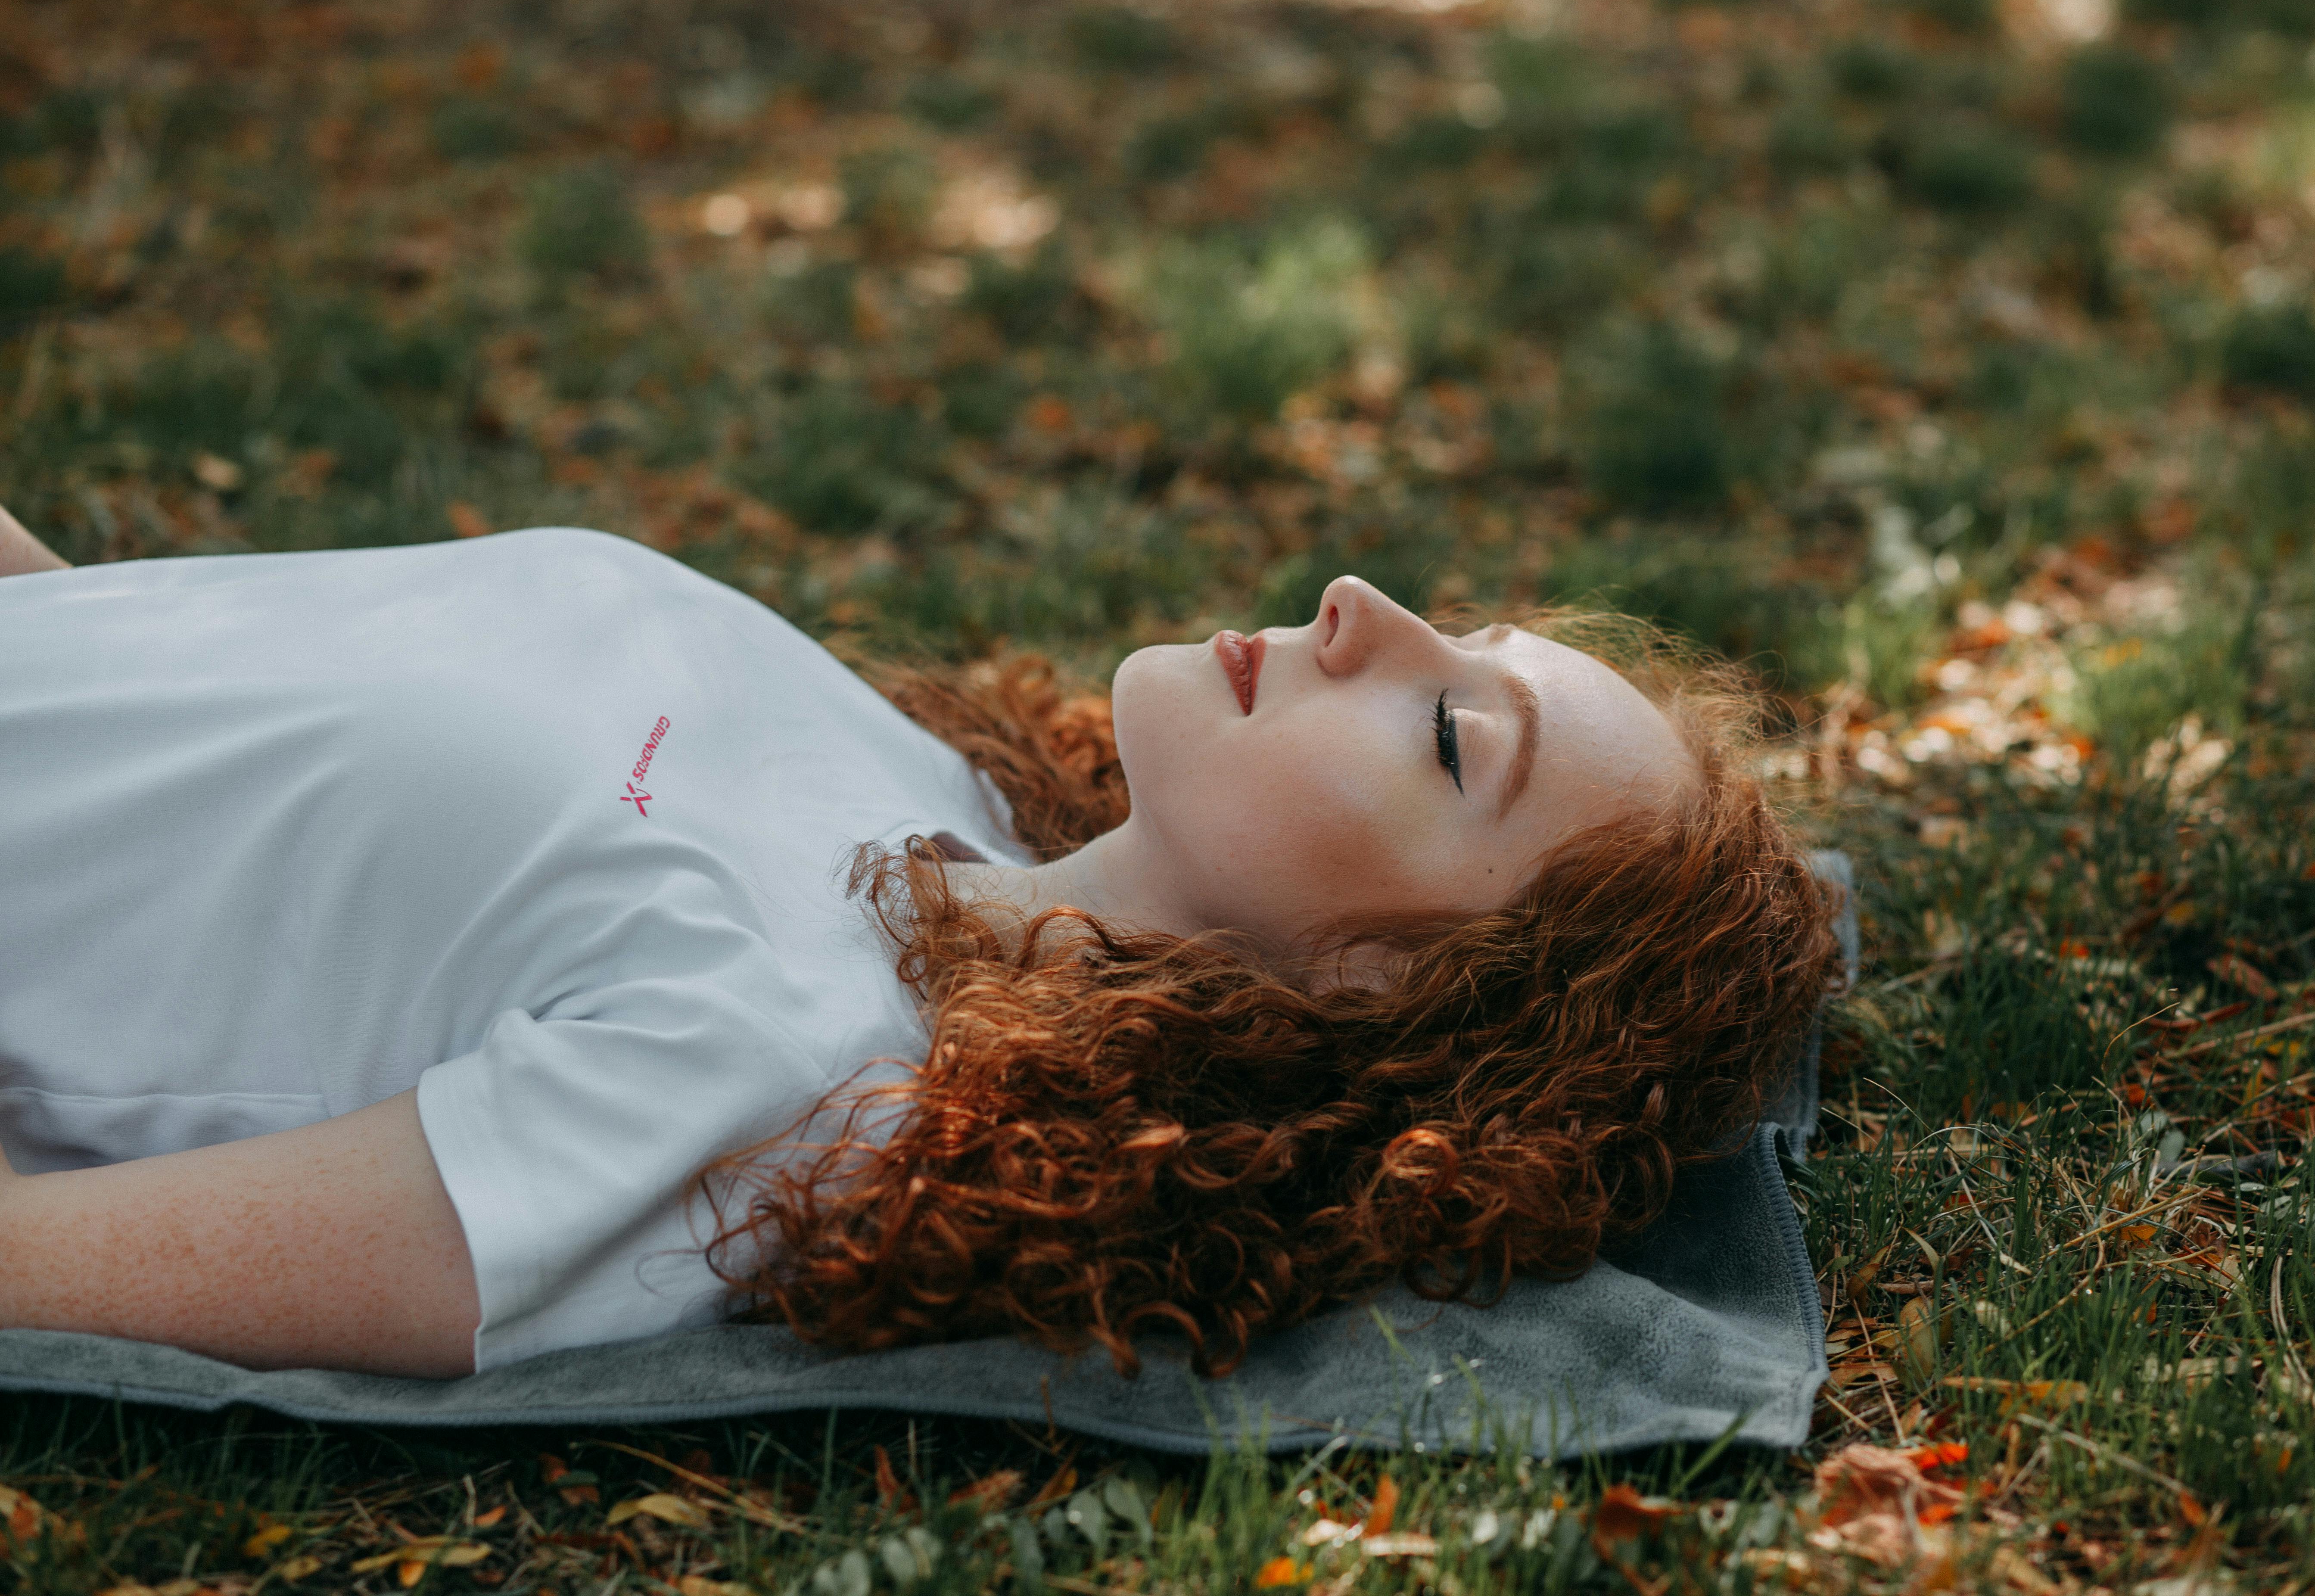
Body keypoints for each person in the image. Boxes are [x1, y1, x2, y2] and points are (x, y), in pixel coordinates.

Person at [0, 502, 1839, 1381]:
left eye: (1452, 738)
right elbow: (175, 722)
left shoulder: (789, 1080)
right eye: (1470, 634)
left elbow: (59, 1257)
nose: (1370, 608)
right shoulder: (915, 786)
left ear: (1389, 991)